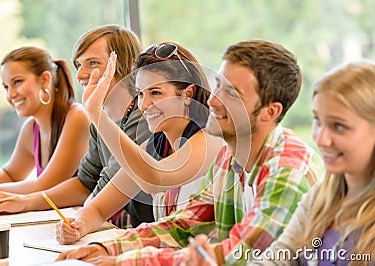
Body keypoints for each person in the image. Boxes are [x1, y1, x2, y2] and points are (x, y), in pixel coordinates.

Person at [56, 40, 323, 265]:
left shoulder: (287, 167)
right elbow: (182, 226)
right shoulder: (229, 160)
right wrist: (107, 250)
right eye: (218, 85)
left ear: (271, 112)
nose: (213, 100)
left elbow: (238, 254)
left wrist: (124, 260)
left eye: (231, 93)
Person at [0, 24, 154, 228]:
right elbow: (84, 182)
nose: (80, 76)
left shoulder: (144, 119)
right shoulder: (99, 122)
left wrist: (78, 219)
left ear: (129, 66)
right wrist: (24, 202)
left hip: (142, 232)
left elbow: (104, 186)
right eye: (79, 66)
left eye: (93, 63)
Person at [55, 42, 225, 244]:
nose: (143, 105)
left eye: (155, 93)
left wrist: (98, 115)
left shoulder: (211, 139)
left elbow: (154, 178)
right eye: (140, 94)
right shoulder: (155, 145)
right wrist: (77, 225)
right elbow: (98, 209)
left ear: (187, 94)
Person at [247, 61, 375, 265]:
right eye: (317, 120)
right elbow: (280, 257)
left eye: (339, 126)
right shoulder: (321, 197)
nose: (321, 139)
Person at [0, 46, 90, 194]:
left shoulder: (76, 117)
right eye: (6, 87)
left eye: (17, 82)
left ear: (44, 80)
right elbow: (11, 174)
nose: (10, 95)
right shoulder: (31, 128)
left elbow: (46, 186)